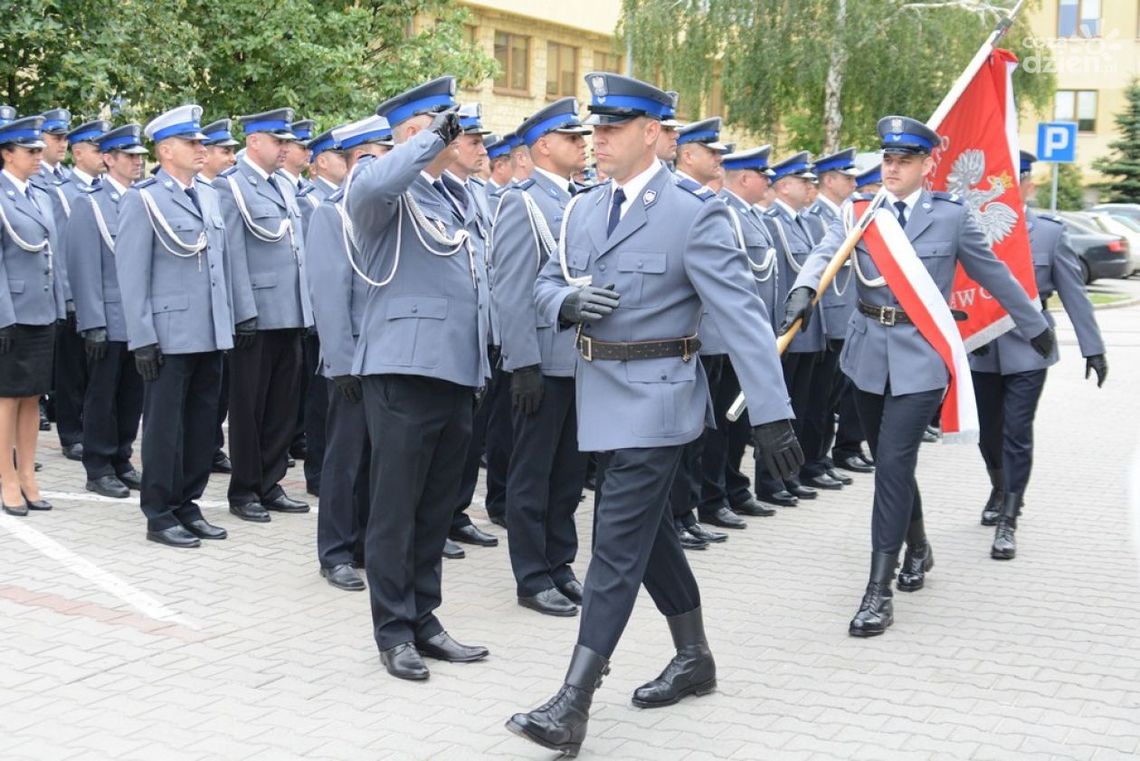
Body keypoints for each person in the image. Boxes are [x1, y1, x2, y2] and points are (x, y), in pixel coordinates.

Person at [507, 72, 802, 756]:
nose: (596, 142)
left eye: (610, 130)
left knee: (613, 541)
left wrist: (772, 412)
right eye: (592, 130)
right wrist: (565, 302)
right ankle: (694, 655)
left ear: (650, 134)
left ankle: (573, 699)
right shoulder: (583, 207)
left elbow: (745, 319)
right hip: (599, 397)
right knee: (651, 535)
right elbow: (547, 281)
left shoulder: (693, 213)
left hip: (659, 395)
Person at [783, 116, 1054, 636]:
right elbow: (825, 253)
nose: (892, 169)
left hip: (920, 358)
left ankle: (877, 592)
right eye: (887, 160)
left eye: (904, 161)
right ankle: (921, 547)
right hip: (865, 357)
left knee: (890, 464)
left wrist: (1033, 324)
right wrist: (804, 288)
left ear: (929, 165)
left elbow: (994, 270)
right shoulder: (862, 211)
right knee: (894, 465)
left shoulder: (949, 218)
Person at [345, 76, 491, 681]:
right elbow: (375, 182)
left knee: (434, 509)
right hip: (403, 370)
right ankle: (393, 630)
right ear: (414, 132)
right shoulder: (380, 186)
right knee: (395, 509)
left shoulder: (452, 196)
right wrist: (428, 140)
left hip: (455, 370)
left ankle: (424, 617)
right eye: (445, 125)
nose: (461, 136)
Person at [970, 150, 1106, 560]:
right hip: (982, 345)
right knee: (988, 434)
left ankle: (1010, 514)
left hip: (1030, 346)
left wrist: (1093, 348)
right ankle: (999, 485)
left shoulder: (1048, 233)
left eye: (1018, 182)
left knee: (1016, 432)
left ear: (1027, 185)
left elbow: (1073, 293)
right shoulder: (974, 227)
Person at [115, 104, 238, 547]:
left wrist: (227, 325)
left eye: (202, 142)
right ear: (167, 151)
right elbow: (132, 275)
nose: (201, 149)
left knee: (203, 424)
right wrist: (143, 338)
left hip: (208, 332)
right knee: (166, 428)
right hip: (168, 336)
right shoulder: (143, 199)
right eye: (193, 143)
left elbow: (219, 268)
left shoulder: (207, 195)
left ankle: (188, 502)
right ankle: (160, 512)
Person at [493, 96, 592, 616]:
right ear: (545, 146)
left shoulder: (580, 199)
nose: (584, 145)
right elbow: (510, 289)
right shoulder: (521, 202)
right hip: (543, 362)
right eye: (574, 138)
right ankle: (532, 577)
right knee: (532, 475)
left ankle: (560, 562)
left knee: (569, 475)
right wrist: (523, 363)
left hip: (581, 360)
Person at [214, 108, 313, 524]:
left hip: (289, 312)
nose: (285, 149)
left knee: (281, 406)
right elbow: (232, 254)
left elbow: (297, 253)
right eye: (278, 141)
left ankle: (270, 483)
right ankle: (245, 489)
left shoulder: (284, 187)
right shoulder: (231, 187)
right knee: (249, 408)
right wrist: (244, 312)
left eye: (287, 143)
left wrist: (306, 308)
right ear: (254, 142)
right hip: (256, 315)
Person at [306, 115, 392, 592]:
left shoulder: (384, 212)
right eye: (383, 153)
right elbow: (329, 295)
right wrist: (340, 363)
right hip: (353, 358)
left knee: (378, 460)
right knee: (344, 460)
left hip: (386, 357)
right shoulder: (332, 213)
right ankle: (335, 550)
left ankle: (363, 544)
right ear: (362, 157)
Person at [66, 123, 148, 499]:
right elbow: (83, 266)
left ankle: (121, 457)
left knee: (132, 395)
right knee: (103, 394)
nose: (137, 163)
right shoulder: (91, 203)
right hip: (110, 317)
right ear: (108, 159)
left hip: (139, 319)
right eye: (129, 156)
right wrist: (93, 321)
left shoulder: (142, 198)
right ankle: (98, 466)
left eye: (140, 157)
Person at [667, 116, 737, 545]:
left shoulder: (701, 200)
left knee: (698, 435)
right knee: (678, 437)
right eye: (712, 152)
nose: (719, 159)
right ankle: (675, 516)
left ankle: (687, 512)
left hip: (708, 337)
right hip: (683, 340)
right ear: (689, 155)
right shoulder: (675, 201)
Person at [711, 146, 786, 513]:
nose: (768, 183)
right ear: (744, 179)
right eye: (762, 176)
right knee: (723, 421)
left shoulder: (750, 215)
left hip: (748, 337)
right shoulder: (725, 212)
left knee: (740, 420)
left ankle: (735, 490)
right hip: (728, 338)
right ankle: (716, 495)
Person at [445, 103, 504, 556]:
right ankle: (440, 516)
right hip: (447, 335)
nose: (482, 148)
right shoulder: (434, 193)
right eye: (473, 140)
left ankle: (457, 512)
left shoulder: (477, 192)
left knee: (469, 435)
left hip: (480, 330)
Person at [0, 115, 66, 515]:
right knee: (6, 398)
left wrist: (57, 306)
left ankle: (28, 474)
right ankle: (6, 477)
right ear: (7, 155)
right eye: (30, 151)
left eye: (40, 150)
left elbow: (50, 257)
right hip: (12, 313)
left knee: (31, 397)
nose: (39, 156)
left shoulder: (37, 194)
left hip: (40, 310)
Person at [762, 151, 826, 501]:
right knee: (780, 410)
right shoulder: (773, 222)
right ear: (784, 186)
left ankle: (791, 474)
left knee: (802, 407)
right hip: (785, 329)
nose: (809, 187)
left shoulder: (804, 222)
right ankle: (772, 480)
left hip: (806, 331)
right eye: (804, 182)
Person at [798, 147, 863, 490]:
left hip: (841, 319)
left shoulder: (844, 214)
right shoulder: (814, 218)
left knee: (827, 399)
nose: (854, 182)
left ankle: (820, 459)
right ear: (829, 180)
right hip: (824, 320)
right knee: (816, 401)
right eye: (847, 177)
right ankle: (812, 462)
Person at [199, 118, 240, 477]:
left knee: (217, 394)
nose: (231, 157)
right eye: (224, 150)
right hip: (185, 322)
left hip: (218, 317)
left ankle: (210, 447)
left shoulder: (214, 192)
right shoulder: (210, 191)